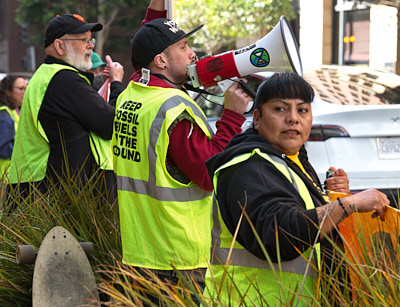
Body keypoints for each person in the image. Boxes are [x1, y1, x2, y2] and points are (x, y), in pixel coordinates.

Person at [203, 72, 390, 306]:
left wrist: (331, 197)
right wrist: (347, 205)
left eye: (302, 110)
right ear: (258, 118)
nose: (293, 119)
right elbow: (279, 234)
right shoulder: (249, 167)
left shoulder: (289, 157)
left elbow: (298, 210)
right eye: (280, 109)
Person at [111, 0, 252, 296]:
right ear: (161, 61)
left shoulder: (134, 92)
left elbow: (146, 48)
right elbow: (206, 173)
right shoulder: (172, 108)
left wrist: (158, 10)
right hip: (178, 257)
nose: (193, 54)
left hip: (140, 249)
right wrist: (232, 116)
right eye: (184, 47)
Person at [8, 13, 124, 198]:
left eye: (90, 39)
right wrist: (116, 83)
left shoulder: (49, 74)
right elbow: (111, 124)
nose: (91, 46)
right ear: (59, 46)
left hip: (39, 189)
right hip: (54, 195)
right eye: (83, 40)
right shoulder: (64, 79)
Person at [0, 74, 27, 177]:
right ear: (8, 91)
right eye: (21, 89)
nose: (24, 93)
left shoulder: (13, 112)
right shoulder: (4, 116)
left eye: (26, 89)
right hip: (4, 178)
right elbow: (4, 150)